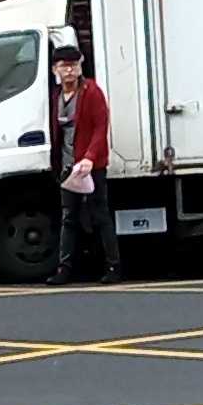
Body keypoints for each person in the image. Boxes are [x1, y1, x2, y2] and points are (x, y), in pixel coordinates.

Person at [48, 34, 120, 284]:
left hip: (91, 166)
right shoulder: (56, 96)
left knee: (100, 215)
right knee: (69, 218)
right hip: (68, 167)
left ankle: (113, 266)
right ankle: (64, 269)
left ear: (80, 67)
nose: (69, 71)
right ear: (55, 70)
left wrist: (90, 158)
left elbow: (101, 127)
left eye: (74, 65)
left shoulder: (92, 92)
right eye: (64, 66)